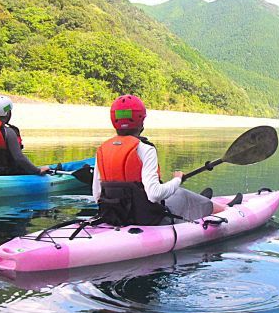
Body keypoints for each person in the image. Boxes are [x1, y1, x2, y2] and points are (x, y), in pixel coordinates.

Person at [92, 94, 236, 226]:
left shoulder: (102, 149)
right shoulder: (144, 149)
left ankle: (202, 201)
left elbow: (97, 195)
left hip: (113, 216)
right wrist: (177, 180)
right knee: (180, 193)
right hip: (147, 219)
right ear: (141, 120)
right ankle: (228, 210)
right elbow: (154, 195)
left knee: (175, 194)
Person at [0, 95, 51, 176]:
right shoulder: (8, 131)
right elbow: (19, 158)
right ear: (7, 113)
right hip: (11, 173)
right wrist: (38, 171)